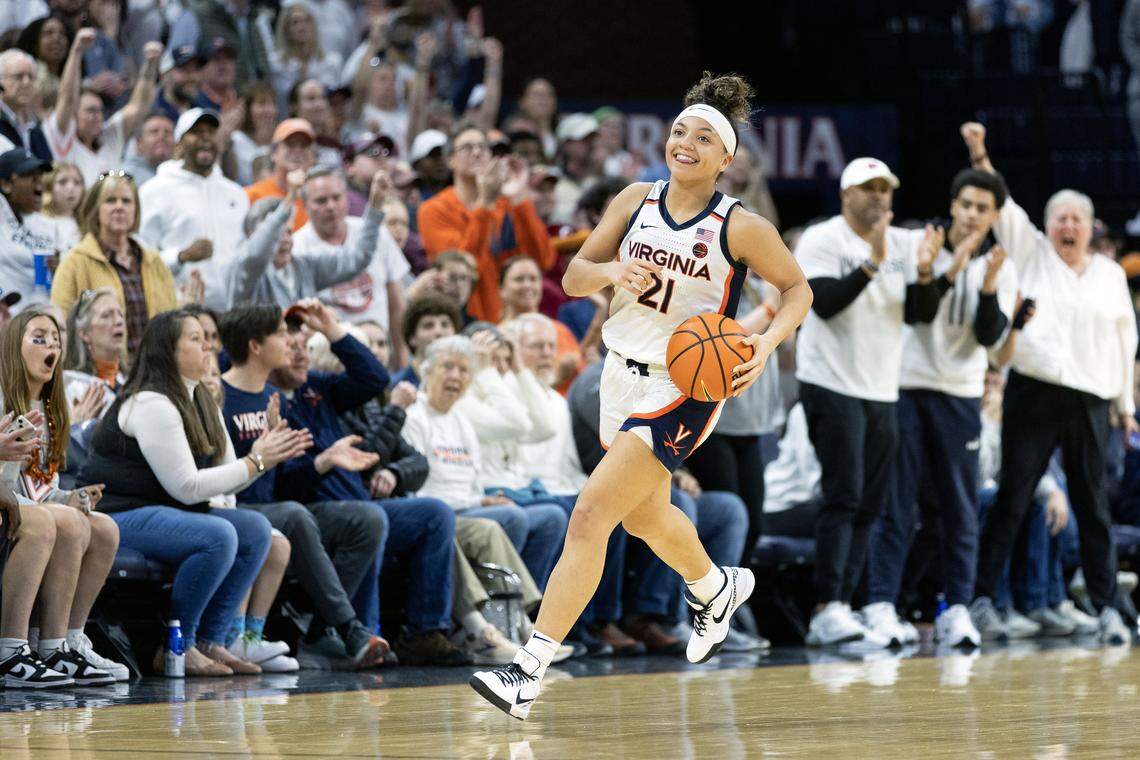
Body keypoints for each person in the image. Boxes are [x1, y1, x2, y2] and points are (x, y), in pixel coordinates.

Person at [470, 73, 812, 719]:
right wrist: (611, 270)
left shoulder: (741, 226)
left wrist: (765, 345)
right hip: (618, 373)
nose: (686, 143)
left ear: (726, 157)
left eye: (703, 137)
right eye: (680, 131)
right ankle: (714, 586)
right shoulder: (634, 199)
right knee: (644, 518)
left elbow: (798, 291)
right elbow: (574, 276)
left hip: (685, 384)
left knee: (590, 515)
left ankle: (528, 669)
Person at [961, 122, 1139, 644]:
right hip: (1034, 390)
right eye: (1060, 217)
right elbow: (1001, 202)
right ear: (1047, 225)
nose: (1068, 225)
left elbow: (1125, 341)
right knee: (1013, 498)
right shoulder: (1031, 250)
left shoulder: (1109, 275)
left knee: (1093, 506)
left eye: (1077, 219)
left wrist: (1125, 404)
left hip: (1091, 397)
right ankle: (982, 600)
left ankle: (1107, 608)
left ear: (1090, 229)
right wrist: (980, 153)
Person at [78, 309, 309, 675]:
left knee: (255, 530)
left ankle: (211, 641)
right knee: (218, 535)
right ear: (168, 350)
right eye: (196, 339)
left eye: (207, 339)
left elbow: (226, 477)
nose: (208, 347)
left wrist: (264, 459)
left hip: (164, 511)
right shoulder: (151, 402)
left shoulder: (201, 397)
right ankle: (177, 646)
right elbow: (187, 488)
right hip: (116, 513)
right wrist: (256, 461)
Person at [268, 301, 471, 666]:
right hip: (312, 511)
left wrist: (331, 328)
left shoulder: (317, 388)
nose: (300, 356)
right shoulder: (266, 400)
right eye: (291, 347)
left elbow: (375, 378)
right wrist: (322, 462)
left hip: (357, 503)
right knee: (366, 518)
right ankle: (355, 632)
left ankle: (424, 632)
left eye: (304, 347)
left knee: (434, 514)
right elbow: (278, 486)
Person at [864, 168, 1018, 649]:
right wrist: (941, 270)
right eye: (965, 204)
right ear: (953, 206)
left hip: (961, 393)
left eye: (982, 209)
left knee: (959, 508)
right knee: (897, 502)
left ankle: (956, 609)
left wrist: (987, 287)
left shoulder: (1000, 264)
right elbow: (918, 312)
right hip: (906, 387)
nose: (972, 215)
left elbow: (991, 339)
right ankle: (881, 604)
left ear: (994, 217)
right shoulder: (919, 245)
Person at [793, 157, 942, 647]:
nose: (879, 196)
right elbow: (824, 303)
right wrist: (873, 262)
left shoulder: (903, 242)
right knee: (845, 495)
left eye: (885, 188)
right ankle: (825, 608)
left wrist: (925, 273)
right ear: (845, 195)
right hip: (830, 382)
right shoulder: (822, 239)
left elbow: (919, 316)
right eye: (868, 187)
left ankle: (851, 605)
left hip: (880, 387)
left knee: (871, 503)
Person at [218, 304, 390, 668]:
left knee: (367, 518)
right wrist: (266, 460)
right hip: (232, 504)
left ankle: (315, 632)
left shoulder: (279, 398)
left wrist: (318, 463)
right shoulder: (220, 394)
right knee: (294, 515)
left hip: (277, 504)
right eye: (283, 337)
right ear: (255, 346)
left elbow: (375, 378)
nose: (296, 347)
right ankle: (348, 628)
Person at [0, 307, 127, 685]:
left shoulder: (52, 408)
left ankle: (65, 642)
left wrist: (67, 497)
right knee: (50, 521)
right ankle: (10, 650)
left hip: (17, 502)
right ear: (14, 347)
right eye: (39, 339)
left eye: (55, 340)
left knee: (103, 528)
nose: (50, 347)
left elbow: (36, 484)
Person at [405, 332, 568, 592]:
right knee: (516, 517)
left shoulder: (463, 417)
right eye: (448, 367)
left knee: (553, 516)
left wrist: (518, 370)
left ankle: (524, 604)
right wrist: (485, 373)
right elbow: (519, 424)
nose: (456, 376)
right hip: (451, 506)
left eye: (463, 370)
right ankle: (507, 602)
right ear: (428, 371)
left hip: (483, 497)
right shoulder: (448, 408)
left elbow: (544, 428)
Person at [417, 123, 556, 322]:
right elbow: (461, 269)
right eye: (467, 148)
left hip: (511, 319)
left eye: (482, 147)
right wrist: (485, 204)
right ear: (450, 160)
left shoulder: (508, 205)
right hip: (463, 319)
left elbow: (543, 260)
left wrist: (520, 200)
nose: (476, 153)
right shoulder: (433, 210)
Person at [51, 171, 178, 360]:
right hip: (98, 370)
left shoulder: (154, 261)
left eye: (126, 201)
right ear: (96, 209)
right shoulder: (74, 263)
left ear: (136, 210)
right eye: (110, 200)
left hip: (155, 369)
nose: (119, 207)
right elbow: (60, 326)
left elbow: (171, 320)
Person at [138, 107, 251, 310]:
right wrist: (180, 256)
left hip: (233, 312)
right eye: (197, 133)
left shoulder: (236, 194)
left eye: (211, 133)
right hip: (179, 309)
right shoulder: (153, 191)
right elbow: (140, 255)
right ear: (180, 142)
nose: (205, 138)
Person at [292, 166, 409, 362]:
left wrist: (401, 357)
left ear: (347, 198)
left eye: (336, 197)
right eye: (321, 200)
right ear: (305, 205)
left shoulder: (377, 234)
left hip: (381, 352)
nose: (331, 206)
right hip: (330, 359)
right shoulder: (297, 249)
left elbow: (397, 305)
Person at [229, 169, 390, 309]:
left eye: (288, 232)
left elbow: (357, 259)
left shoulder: (304, 267)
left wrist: (375, 207)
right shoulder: (246, 273)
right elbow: (256, 255)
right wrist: (289, 199)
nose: (285, 240)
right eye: (276, 235)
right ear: (253, 238)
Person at [45, 30, 162, 185]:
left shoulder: (110, 138)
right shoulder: (63, 138)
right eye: (90, 111)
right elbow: (67, 99)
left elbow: (139, 105)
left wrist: (151, 64)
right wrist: (76, 51)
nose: (97, 116)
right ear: (74, 114)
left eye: (100, 111)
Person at [0, 148, 55, 306]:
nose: (39, 181)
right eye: (29, 175)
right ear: (6, 184)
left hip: (42, 313)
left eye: (40, 176)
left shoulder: (44, 224)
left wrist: (59, 267)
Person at [62, 287, 125, 422]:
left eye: (120, 314)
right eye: (106, 316)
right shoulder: (70, 385)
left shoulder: (129, 379)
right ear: (84, 333)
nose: (119, 321)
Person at [244, 118, 317, 232]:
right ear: (274, 153)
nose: (297, 150)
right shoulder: (251, 195)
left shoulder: (320, 199)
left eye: (304, 145)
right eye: (290, 144)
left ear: (312, 157)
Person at [392, 292, 461, 388]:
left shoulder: (465, 382)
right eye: (428, 325)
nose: (438, 332)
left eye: (445, 324)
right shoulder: (396, 385)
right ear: (412, 337)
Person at [0, 49, 52, 159]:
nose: (26, 83)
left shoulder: (34, 125)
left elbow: (48, 164)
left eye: (31, 77)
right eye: (18, 76)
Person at [26, 160, 84, 254]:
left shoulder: (87, 223)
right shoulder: (38, 222)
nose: (71, 187)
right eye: (62, 182)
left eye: (77, 182)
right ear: (48, 187)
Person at [228, 82, 277, 187]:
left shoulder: (280, 140)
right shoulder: (236, 140)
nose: (269, 110)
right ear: (247, 109)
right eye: (261, 104)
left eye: (272, 104)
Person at [153, 44, 203, 124]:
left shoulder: (202, 113)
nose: (192, 77)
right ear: (164, 76)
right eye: (184, 69)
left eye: (196, 69)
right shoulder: (150, 111)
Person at [121, 113, 175, 187]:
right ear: (139, 143)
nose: (161, 136)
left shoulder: (183, 174)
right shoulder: (125, 177)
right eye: (154, 131)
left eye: (167, 132)